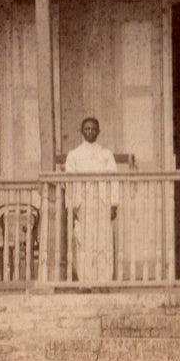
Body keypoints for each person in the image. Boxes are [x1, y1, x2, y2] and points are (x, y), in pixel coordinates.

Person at [64, 117, 118, 282]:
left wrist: (113, 204)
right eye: (87, 129)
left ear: (98, 132)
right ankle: (85, 280)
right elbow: (69, 182)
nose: (90, 132)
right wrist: (71, 206)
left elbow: (114, 180)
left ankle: (103, 279)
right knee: (84, 241)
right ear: (82, 131)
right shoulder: (74, 155)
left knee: (103, 241)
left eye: (93, 129)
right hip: (83, 204)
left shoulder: (106, 154)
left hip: (102, 202)